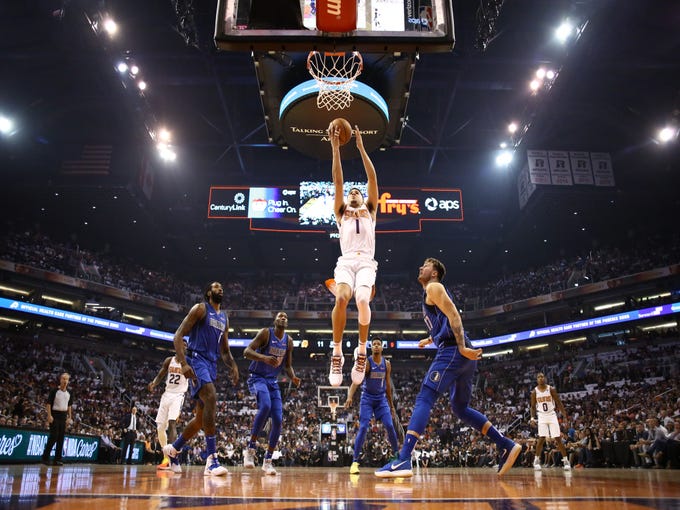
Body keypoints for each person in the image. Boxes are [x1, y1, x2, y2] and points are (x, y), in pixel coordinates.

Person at [375, 257, 521, 478]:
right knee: (460, 408)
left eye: (425, 265)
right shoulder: (432, 292)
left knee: (424, 397)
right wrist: (430, 338)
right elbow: (444, 320)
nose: (420, 267)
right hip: (459, 353)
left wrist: (461, 346)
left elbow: (454, 314)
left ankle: (404, 459)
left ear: (434, 273)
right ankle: (505, 444)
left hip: (454, 350)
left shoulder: (433, 287)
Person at [162, 281, 239, 477]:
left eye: (222, 287)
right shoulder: (200, 309)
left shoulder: (224, 317)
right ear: (208, 292)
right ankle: (211, 460)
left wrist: (233, 365)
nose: (220, 288)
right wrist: (184, 363)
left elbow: (225, 350)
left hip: (212, 365)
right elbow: (178, 335)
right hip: (196, 360)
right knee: (211, 396)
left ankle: (173, 450)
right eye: (215, 286)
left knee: (199, 420)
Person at [327, 122, 379, 387]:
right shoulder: (341, 210)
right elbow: (338, 179)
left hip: (367, 262)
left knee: (361, 299)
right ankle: (337, 353)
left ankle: (361, 351)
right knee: (342, 297)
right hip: (346, 261)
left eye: (357, 192)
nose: (354, 193)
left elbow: (372, 179)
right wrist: (336, 148)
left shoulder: (370, 209)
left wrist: (360, 146)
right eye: (352, 192)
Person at [242, 311, 301, 475]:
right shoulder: (265, 333)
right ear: (275, 320)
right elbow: (246, 352)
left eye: (286, 316)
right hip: (257, 377)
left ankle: (267, 461)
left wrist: (293, 377)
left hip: (272, 381)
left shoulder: (288, 341)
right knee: (266, 406)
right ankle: (251, 449)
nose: (283, 317)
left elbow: (287, 366)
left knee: (278, 420)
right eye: (280, 315)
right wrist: (264, 358)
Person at [343, 337, 399, 474]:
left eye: (378, 344)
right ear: (371, 347)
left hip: (381, 399)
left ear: (382, 347)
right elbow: (356, 381)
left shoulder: (387, 364)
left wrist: (391, 406)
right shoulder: (367, 363)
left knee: (390, 425)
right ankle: (355, 462)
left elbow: (387, 386)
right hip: (367, 398)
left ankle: (398, 457)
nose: (376, 346)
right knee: (363, 427)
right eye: (373, 344)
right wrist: (349, 396)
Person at [148, 340, 189, 472]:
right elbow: (161, 374)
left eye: (185, 344)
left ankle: (173, 456)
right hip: (167, 394)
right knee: (160, 427)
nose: (183, 346)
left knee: (172, 423)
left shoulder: (188, 361)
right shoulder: (169, 360)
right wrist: (154, 383)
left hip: (178, 395)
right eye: (181, 343)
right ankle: (166, 457)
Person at [530, 372, 571, 470]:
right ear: (537, 380)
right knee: (541, 438)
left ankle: (566, 461)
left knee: (557, 438)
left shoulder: (551, 389)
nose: (540, 378)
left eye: (542, 376)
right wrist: (532, 418)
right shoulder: (534, 392)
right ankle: (536, 460)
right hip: (541, 415)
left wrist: (565, 416)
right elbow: (532, 406)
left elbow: (559, 403)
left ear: (545, 378)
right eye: (538, 377)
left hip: (552, 414)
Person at [41, 372, 73, 466]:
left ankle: (57, 459)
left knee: (61, 438)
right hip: (55, 414)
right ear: (60, 380)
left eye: (67, 379)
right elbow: (48, 403)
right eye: (63, 379)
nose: (65, 381)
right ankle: (45, 457)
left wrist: (70, 417)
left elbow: (69, 406)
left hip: (63, 416)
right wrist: (49, 415)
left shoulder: (69, 393)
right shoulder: (54, 391)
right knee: (54, 436)